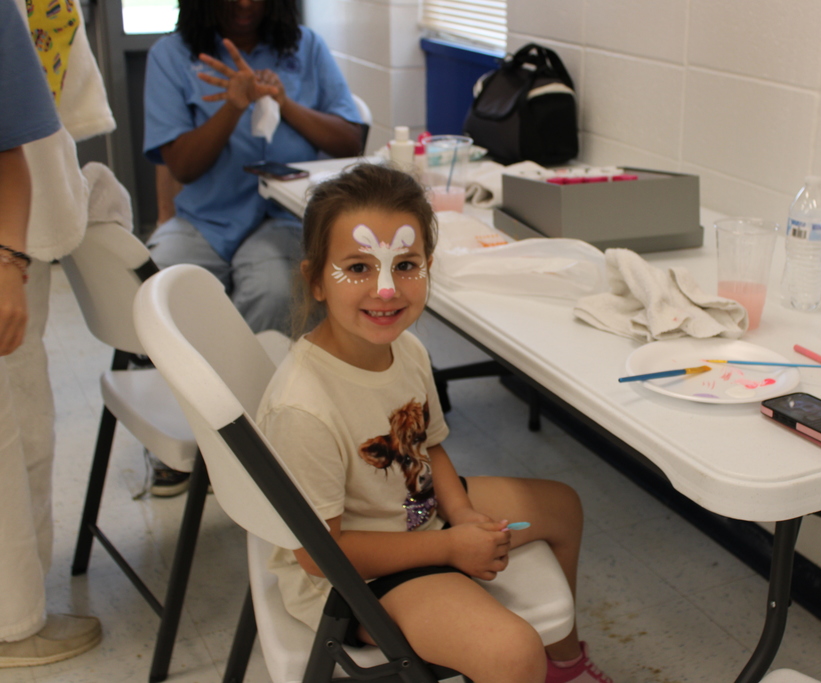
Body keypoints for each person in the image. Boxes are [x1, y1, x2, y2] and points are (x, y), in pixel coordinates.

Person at [256, 164, 614, 683]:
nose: (385, 289)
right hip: (352, 577)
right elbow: (317, 555)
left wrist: (462, 513)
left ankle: (564, 667)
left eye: (405, 264)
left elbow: (430, 449)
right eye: (358, 268)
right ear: (316, 281)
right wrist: (449, 546)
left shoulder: (407, 349)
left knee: (562, 507)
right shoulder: (302, 408)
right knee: (512, 653)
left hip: (412, 511)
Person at [143, 0, 364, 495]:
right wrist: (234, 104)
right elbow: (182, 166)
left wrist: (285, 104)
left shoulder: (305, 49)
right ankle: (189, 430)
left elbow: (350, 136)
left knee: (272, 290)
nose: (245, 2)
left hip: (282, 217)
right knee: (158, 285)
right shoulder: (171, 56)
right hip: (207, 215)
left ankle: (257, 438)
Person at [1, 0, 113, 666]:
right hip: (13, 238)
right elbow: (19, 134)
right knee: (16, 429)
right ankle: (14, 621)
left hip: (17, 236)